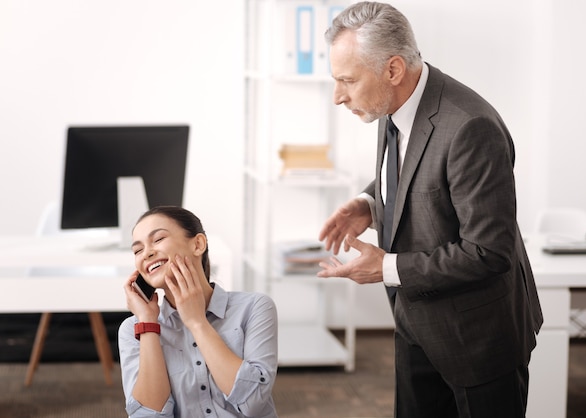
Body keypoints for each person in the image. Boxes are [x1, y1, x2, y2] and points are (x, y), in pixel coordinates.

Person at [317, 2, 543, 417]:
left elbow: (489, 252)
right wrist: (369, 203)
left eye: (347, 80)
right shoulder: (390, 104)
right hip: (417, 322)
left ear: (393, 70)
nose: (338, 96)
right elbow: (421, 173)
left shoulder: (470, 127)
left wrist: (385, 268)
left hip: (479, 339)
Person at [118, 206, 278, 418]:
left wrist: (196, 322)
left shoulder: (255, 307)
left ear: (198, 244)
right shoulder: (133, 329)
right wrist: (148, 322)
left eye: (158, 239)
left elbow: (254, 403)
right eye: (138, 250)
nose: (146, 253)